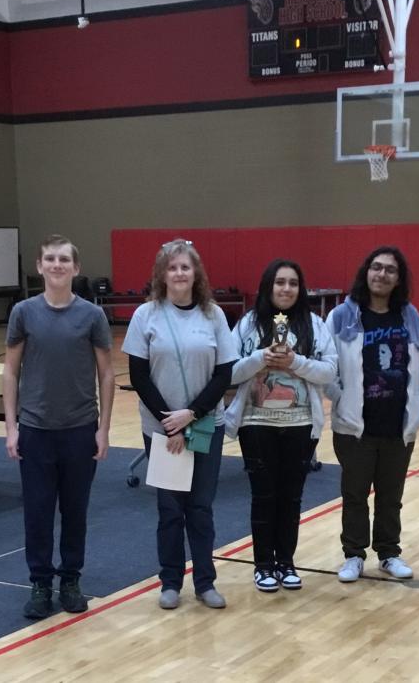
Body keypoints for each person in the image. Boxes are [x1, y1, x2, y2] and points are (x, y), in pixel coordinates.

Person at [122, 239, 238, 610]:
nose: (179, 273)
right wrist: (169, 422)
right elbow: (139, 375)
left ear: (195, 273)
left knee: (200, 508)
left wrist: (192, 414)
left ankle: (205, 582)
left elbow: (224, 374)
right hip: (162, 428)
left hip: (204, 426)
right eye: (172, 267)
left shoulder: (213, 315)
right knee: (170, 509)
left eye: (185, 267)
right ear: (162, 274)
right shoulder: (146, 316)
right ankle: (170, 582)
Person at [3, 234, 115, 619]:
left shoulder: (92, 316)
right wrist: (12, 427)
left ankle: (70, 579)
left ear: (75, 267)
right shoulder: (23, 313)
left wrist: (103, 428)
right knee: (37, 512)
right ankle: (40, 583)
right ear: (39, 266)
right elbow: (10, 371)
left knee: (74, 511)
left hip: (80, 429)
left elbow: (106, 374)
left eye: (64, 259)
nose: (57, 265)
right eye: (50, 258)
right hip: (35, 430)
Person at [224, 259, 337, 592]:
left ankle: (286, 562)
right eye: (280, 282)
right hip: (255, 422)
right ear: (268, 286)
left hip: (301, 422)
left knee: (291, 497)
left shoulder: (315, 325)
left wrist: (294, 362)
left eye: (293, 283)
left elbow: (329, 372)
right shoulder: (247, 324)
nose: (286, 289)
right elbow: (227, 372)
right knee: (263, 495)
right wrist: (260, 358)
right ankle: (263, 565)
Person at [326, 246, 419, 583]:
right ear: (366, 272)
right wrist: (341, 399)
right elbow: (327, 366)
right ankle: (353, 555)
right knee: (355, 494)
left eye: (390, 270)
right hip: (355, 427)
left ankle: (389, 553)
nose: (382, 274)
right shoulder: (342, 316)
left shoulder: (409, 316)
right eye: (376, 267)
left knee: (391, 496)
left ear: (399, 279)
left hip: (398, 425)